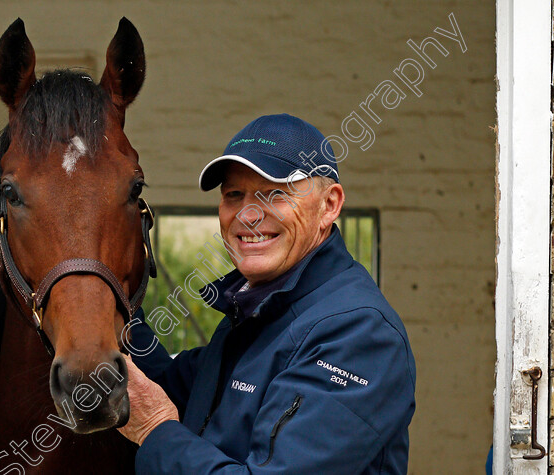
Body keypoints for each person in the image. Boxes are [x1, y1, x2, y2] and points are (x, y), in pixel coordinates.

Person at [117, 114, 417, 474]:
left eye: (275, 193)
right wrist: (106, 293)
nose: (248, 214)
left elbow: (156, 415)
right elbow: (162, 387)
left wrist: (155, 431)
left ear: (329, 206)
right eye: (234, 195)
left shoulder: (359, 334)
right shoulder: (258, 312)